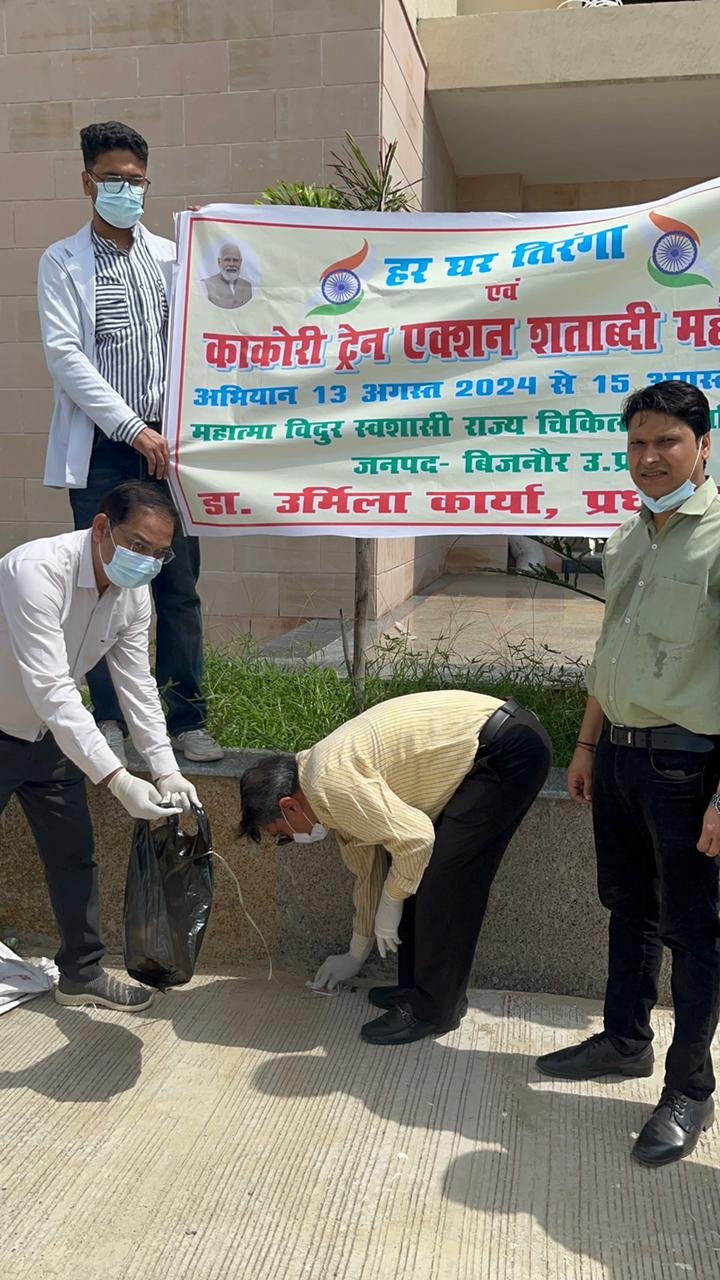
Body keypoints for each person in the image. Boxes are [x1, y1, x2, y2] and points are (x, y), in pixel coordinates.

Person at [536, 380, 720, 1169]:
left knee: (695, 934)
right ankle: (623, 1039)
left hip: (688, 765)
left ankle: (689, 1089)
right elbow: (609, 653)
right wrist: (585, 747)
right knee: (628, 908)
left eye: (667, 442)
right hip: (618, 756)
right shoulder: (630, 537)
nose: (649, 458)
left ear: (703, 447)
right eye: (638, 443)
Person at [37, 120, 223, 768]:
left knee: (178, 585)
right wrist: (131, 428)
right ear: (87, 181)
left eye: (136, 181)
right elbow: (66, 358)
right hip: (105, 449)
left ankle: (187, 719)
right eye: (112, 179)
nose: (125, 189)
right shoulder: (61, 261)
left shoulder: (175, 257)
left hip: (169, 448)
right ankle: (110, 719)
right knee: (103, 584)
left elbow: (203, 341)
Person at [239, 690, 551, 1046]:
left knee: (442, 882)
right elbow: (368, 870)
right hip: (489, 750)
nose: (292, 840)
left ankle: (435, 1010)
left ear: (289, 806)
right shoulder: (317, 788)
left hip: (506, 752)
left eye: (282, 835)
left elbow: (417, 839)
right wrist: (355, 954)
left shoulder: (329, 785)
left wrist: (391, 901)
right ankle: (416, 990)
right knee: (413, 875)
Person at [0, 481, 204, 1012]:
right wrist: (117, 779)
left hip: (54, 740)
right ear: (100, 527)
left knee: (73, 856)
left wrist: (164, 769)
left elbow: (136, 683)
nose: (147, 561)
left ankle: (81, 975)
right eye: (138, 545)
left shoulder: (134, 593)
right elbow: (51, 688)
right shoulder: (34, 572)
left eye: (160, 554)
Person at [203, 243, 253, 309]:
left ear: (240, 262)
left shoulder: (247, 286)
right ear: (219, 262)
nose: (231, 264)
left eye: (235, 260)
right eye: (227, 260)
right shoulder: (206, 284)